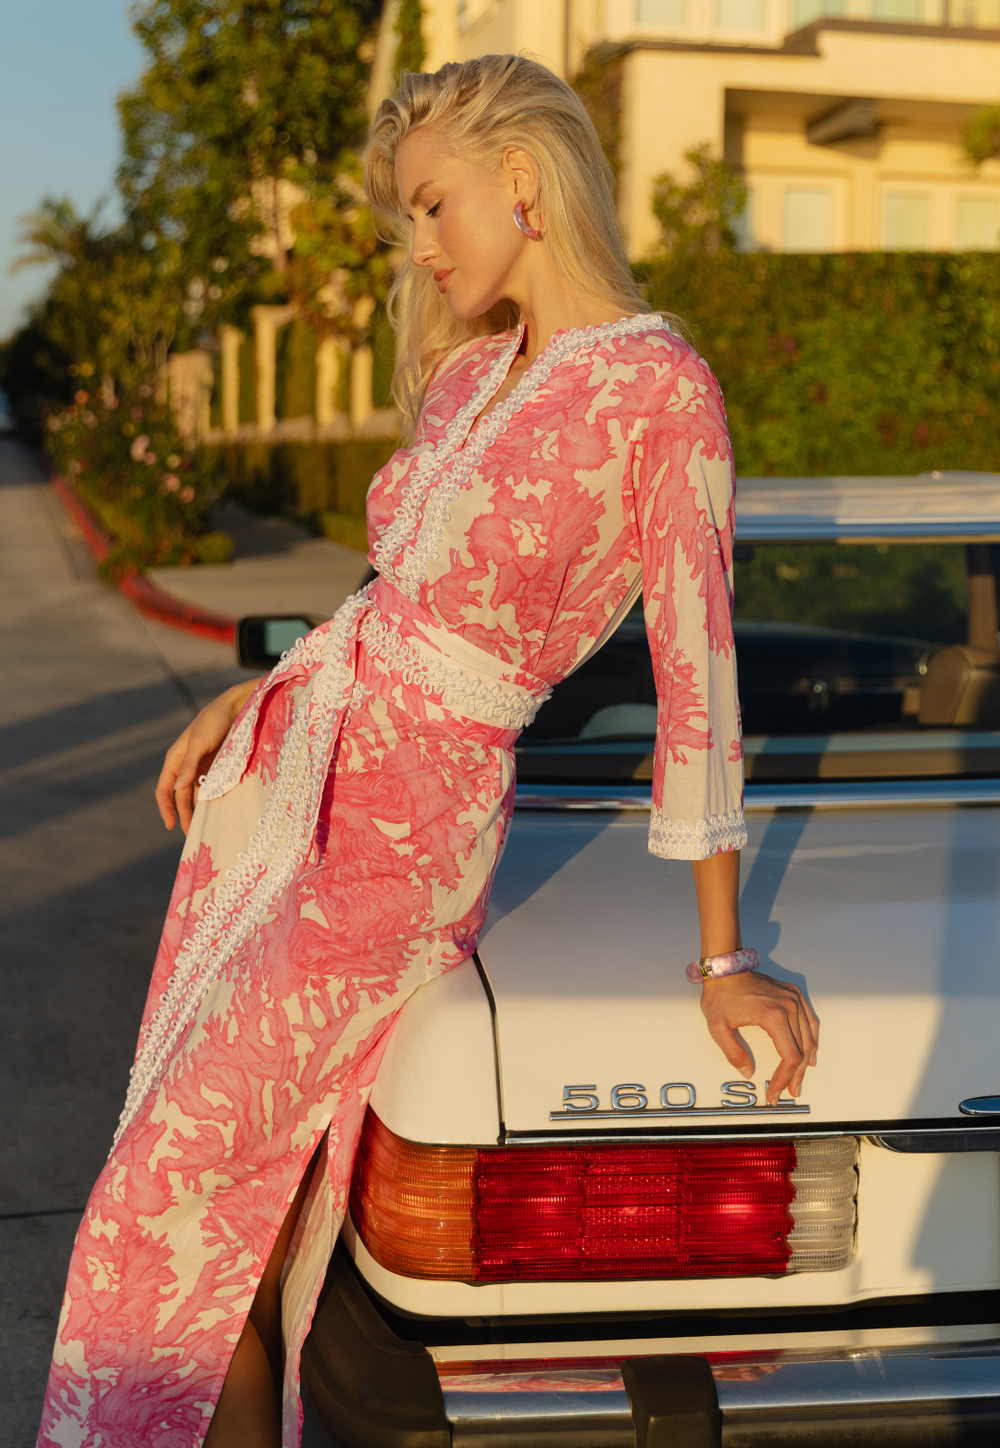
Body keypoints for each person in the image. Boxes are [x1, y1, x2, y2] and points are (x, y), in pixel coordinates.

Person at [38, 53, 818, 1448]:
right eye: (408, 216)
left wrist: (722, 956)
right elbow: (391, 596)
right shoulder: (469, 381)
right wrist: (256, 697)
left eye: (431, 205)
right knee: (222, 1203)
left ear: (523, 183)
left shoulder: (658, 390)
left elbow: (703, 680)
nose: (418, 243)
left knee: (165, 1195)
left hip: (401, 842)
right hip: (295, 771)